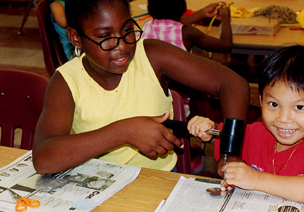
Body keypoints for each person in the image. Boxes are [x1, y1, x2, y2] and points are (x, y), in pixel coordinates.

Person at [32, 0, 249, 175]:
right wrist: (122, 132)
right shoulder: (66, 81)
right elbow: (43, 159)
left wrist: (230, 151)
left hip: (156, 183)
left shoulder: (152, 55)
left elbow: (233, 83)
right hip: (97, 185)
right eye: (105, 37)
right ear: (76, 38)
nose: (123, 46)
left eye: (127, 30)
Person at [187, 45, 304, 204]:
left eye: (299, 107)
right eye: (274, 104)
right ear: (261, 101)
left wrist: (256, 180)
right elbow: (221, 136)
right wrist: (207, 129)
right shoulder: (252, 133)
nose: (283, 118)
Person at [142, 0, 232, 53]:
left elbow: (170, 24)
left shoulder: (147, 26)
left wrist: (202, 13)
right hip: (178, 84)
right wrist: (226, 17)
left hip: (151, 82)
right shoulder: (188, 33)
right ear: (184, 7)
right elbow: (225, 46)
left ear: (149, 9)